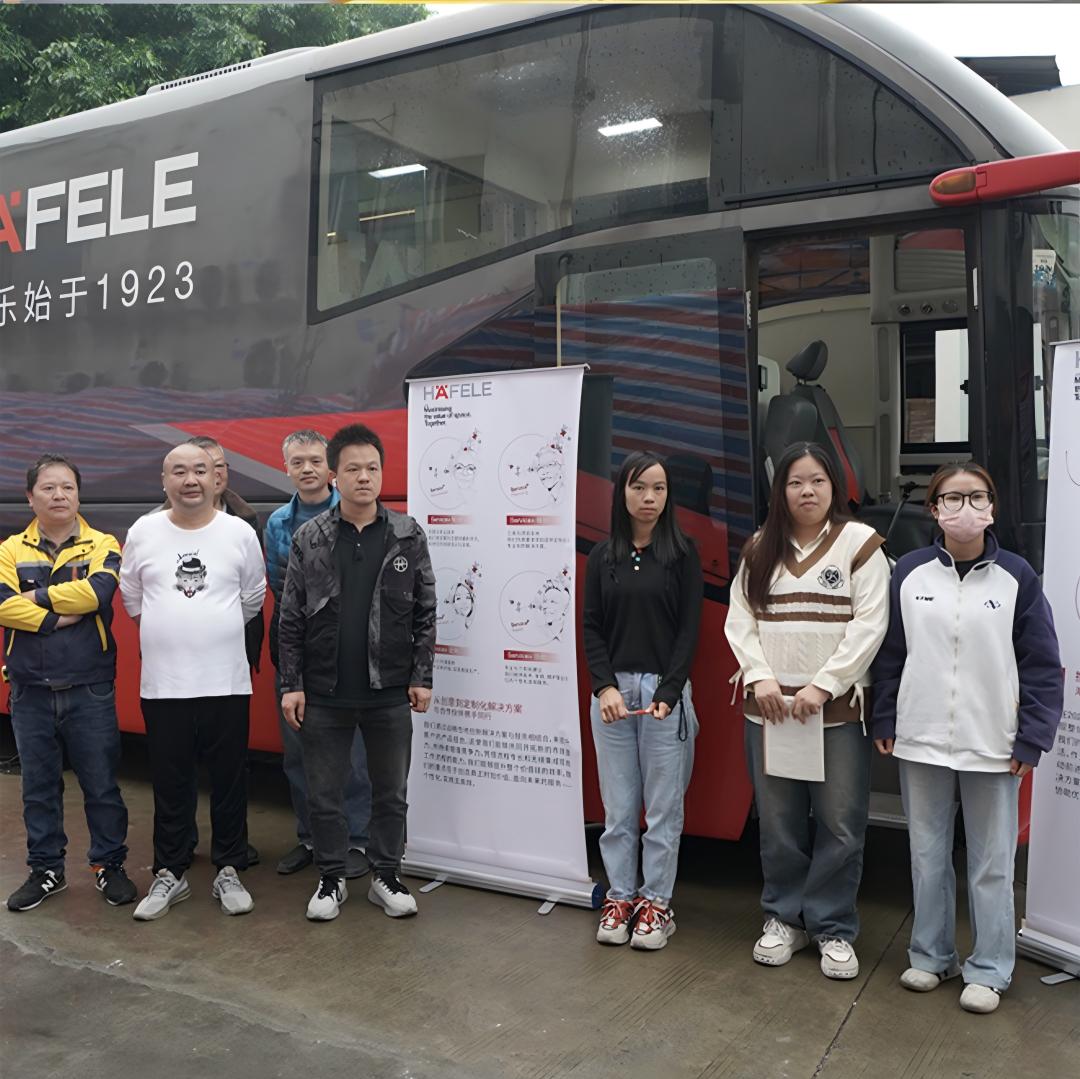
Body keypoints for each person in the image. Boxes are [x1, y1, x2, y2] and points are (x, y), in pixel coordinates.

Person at [872, 463, 1062, 1014]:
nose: (965, 508)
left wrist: (1032, 738)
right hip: (921, 736)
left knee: (992, 862)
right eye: (952, 498)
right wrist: (884, 718)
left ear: (991, 508)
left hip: (993, 742)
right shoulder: (909, 573)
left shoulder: (1017, 577)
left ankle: (989, 968)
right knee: (927, 854)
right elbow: (890, 653)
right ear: (934, 510)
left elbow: (1042, 664)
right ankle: (931, 956)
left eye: (976, 497)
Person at [724, 442, 889, 979]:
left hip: (835, 713)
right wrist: (760, 677)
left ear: (833, 486)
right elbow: (739, 620)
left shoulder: (860, 544)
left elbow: (871, 624)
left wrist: (824, 686)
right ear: (781, 491)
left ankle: (832, 927)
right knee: (779, 824)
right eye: (796, 482)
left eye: (817, 480)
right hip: (770, 712)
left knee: (840, 825)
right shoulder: (759, 547)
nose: (807, 491)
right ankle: (783, 920)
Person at [278, 423, 436, 922]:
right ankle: (331, 878)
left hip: (389, 690)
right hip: (324, 691)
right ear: (334, 475)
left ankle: (386, 875)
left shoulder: (407, 534)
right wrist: (291, 684)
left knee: (391, 794)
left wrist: (422, 675)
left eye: (372, 468)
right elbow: (290, 616)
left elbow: (426, 610)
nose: (364, 477)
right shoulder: (310, 537)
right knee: (325, 795)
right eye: (353, 469)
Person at [120, 443, 266, 920]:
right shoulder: (143, 531)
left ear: (215, 478)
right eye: (179, 471)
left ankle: (229, 869)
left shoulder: (238, 533)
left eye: (200, 470)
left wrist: (210, 630)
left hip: (226, 682)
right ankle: (170, 871)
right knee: (170, 782)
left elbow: (252, 597)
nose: (190, 480)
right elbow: (132, 596)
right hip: (165, 685)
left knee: (229, 780)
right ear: (164, 481)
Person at [1, 454, 136, 911]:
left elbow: (98, 592)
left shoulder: (103, 543)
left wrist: (34, 598)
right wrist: (56, 616)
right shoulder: (9, 549)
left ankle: (109, 865)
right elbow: (2, 605)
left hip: (89, 687)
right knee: (38, 787)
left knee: (101, 784)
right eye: (48, 488)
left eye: (67, 488)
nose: (59, 495)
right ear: (30, 497)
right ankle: (46, 870)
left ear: (78, 494)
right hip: (30, 690)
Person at [582, 450, 703, 951]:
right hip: (613, 697)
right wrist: (604, 686)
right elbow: (591, 627)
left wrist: (670, 692)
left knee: (662, 811)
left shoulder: (683, 554)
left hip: (662, 696)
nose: (648, 498)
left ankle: (657, 904)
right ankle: (620, 898)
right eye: (638, 487)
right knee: (618, 809)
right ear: (622, 493)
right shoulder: (602, 556)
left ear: (669, 495)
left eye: (658, 488)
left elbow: (689, 631)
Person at [264, 429, 371, 878]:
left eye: (314, 461)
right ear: (286, 468)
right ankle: (311, 838)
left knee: (353, 756)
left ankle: (358, 841)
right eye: (297, 462)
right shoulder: (276, 523)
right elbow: (279, 585)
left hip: (349, 655)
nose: (306, 469)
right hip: (295, 654)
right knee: (298, 755)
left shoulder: (357, 511)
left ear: (330, 468)